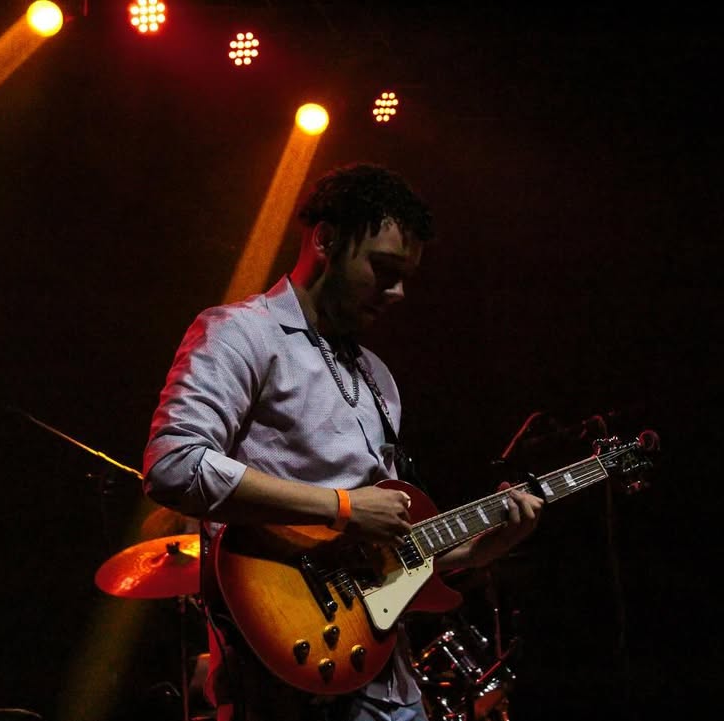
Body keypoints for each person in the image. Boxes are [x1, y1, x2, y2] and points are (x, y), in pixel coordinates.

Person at [143, 163, 543, 721]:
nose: (398, 292)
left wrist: (476, 552)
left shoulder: (378, 377)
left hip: (387, 681)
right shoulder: (240, 332)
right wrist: (343, 506)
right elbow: (174, 465)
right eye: (383, 269)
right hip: (284, 683)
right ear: (327, 240)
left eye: (406, 276)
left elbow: (383, 549)